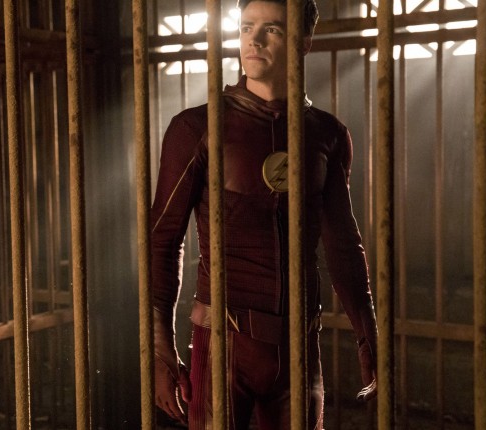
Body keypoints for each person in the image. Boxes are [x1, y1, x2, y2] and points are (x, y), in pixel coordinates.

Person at [150, 0, 378, 428]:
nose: (253, 40)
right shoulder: (197, 128)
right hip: (222, 343)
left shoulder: (327, 133)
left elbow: (344, 247)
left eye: (271, 29)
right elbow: (163, 242)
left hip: (300, 345)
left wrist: (369, 338)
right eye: (246, 27)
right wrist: (161, 351)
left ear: (304, 42)